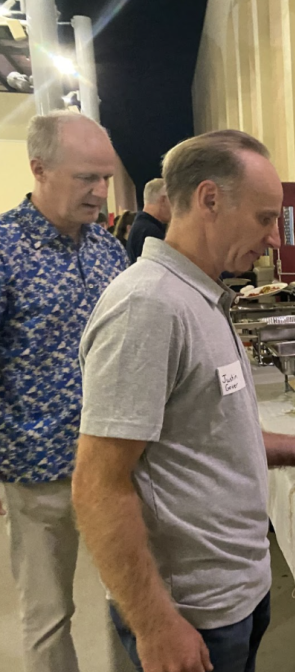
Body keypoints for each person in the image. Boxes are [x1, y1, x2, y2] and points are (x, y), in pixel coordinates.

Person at [72, 130, 295, 672]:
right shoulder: (148, 306)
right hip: (191, 611)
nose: (274, 239)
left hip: (237, 590)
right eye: (264, 218)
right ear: (209, 199)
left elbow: (211, 434)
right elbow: (98, 486)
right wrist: (155, 624)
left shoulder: (201, 295)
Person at [0, 110, 127, 672]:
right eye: (86, 178)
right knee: (48, 615)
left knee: (133, 601)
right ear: (39, 169)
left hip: (119, 463)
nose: (101, 192)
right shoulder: (3, 250)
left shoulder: (108, 251)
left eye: (105, 177)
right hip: (38, 471)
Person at [126, 177, 172, 263]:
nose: (173, 208)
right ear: (163, 200)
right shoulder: (151, 233)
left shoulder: (139, 227)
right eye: (172, 201)